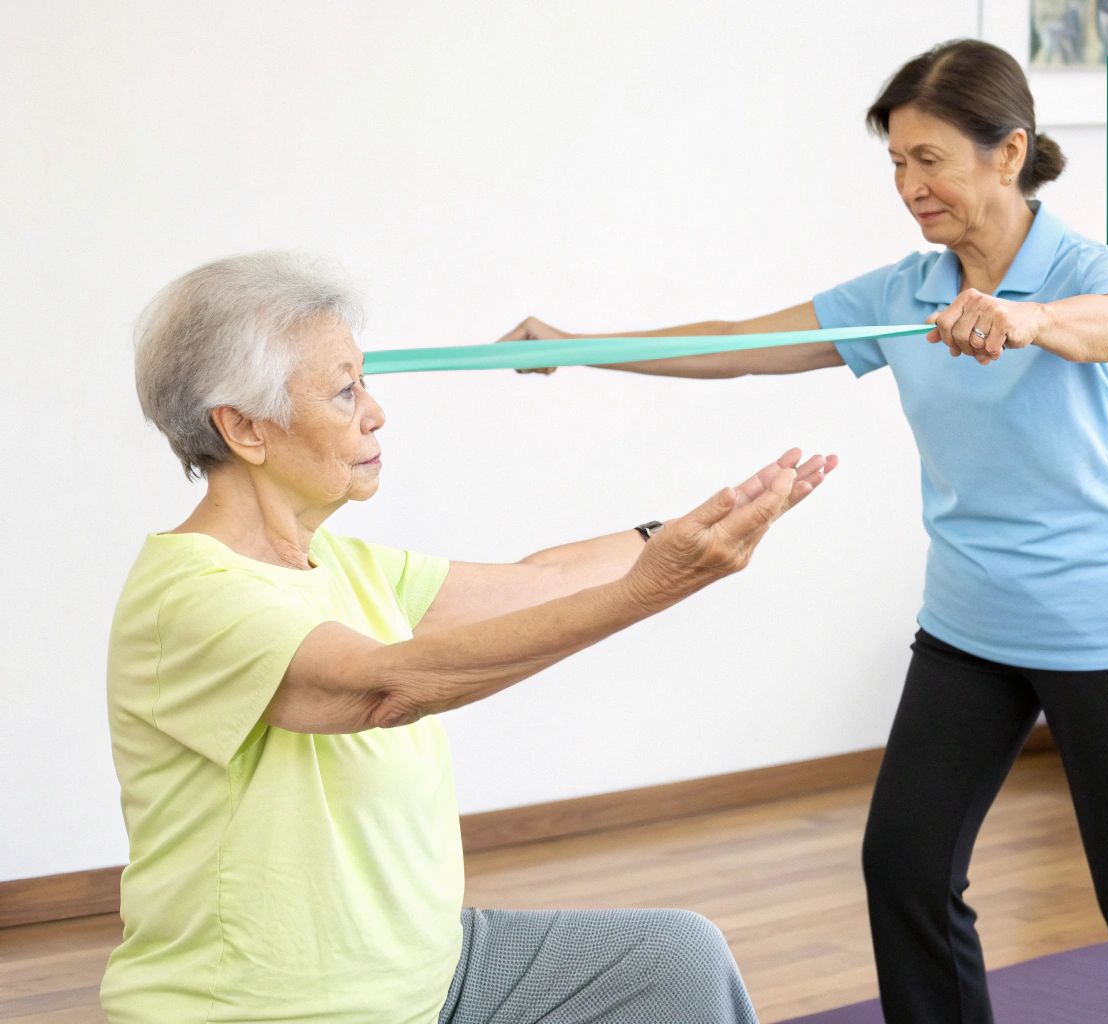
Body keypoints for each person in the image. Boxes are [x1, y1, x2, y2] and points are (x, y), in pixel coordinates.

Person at [494, 39, 1108, 1024]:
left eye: (928, 159)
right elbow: (740, 345)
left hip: (1099, 620)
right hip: (970, 622)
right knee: (903, 862)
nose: (907, 185)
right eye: (895, 162)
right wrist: (582, 348)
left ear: (1008, 151)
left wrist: (1026, 322)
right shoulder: (902, 293)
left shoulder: (1087, 266)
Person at [104, 251, 834, 1023]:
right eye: (344, 390)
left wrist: (676, 534)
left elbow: (544, 581)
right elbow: (384, 685)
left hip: (431, 971)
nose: (375, 411)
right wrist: (652, 588)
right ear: (244, 428)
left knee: (674, 961)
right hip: (279, 1008)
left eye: (366, 379)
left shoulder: (344, 565)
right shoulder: (190, 597)